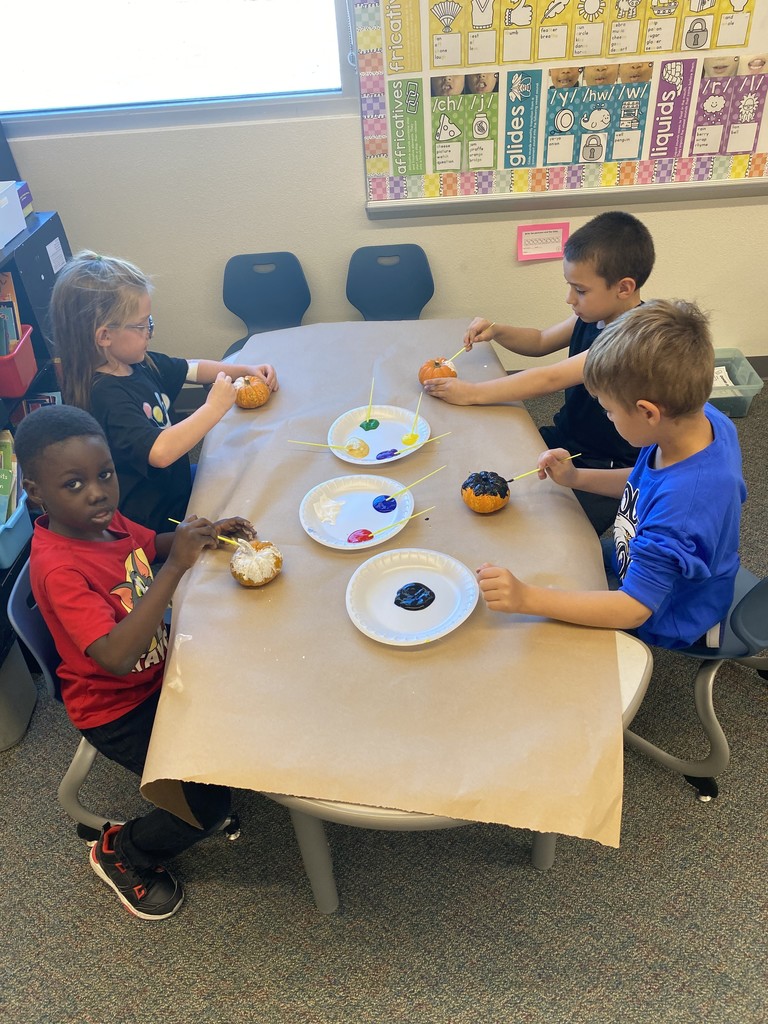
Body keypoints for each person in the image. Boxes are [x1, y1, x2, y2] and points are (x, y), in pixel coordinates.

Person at [14, 404, 257, 920]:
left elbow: (149, 546)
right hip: (116, 708)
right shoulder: (60, 568)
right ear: (36, 492)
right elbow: (117, 658)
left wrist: (201, 534)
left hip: (158, 671)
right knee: (206, 811)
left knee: (241, 690)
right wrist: (175, 569)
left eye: (104, 474)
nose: (99, 492)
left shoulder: (103, 522)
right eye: (74, 484)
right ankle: (122, 853)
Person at [477, 300, 746, 651]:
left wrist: (526, 599)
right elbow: (645, 482)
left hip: (668, 613)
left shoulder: (682, 510)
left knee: (543, 638)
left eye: (608, 410)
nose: (607, 417)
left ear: (648, 412)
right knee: (553, 549)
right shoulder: (697, 420)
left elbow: (632, 609)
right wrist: (576, 477)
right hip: (635, 550)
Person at [424, 210, 655, 534]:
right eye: (569, 286)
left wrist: (473, 393)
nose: (569, 298)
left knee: (535, 531)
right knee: (487, 471)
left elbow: (550, 378)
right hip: (565, 439)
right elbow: (541, 341)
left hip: (602, 465)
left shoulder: (629, 341)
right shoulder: (593, 316)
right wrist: (498, 330)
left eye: (580, 290)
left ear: (624, 287)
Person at [50, 251, 279, 534]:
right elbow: (160, 452)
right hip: (158, 521)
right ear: (104, 336)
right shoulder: (106, 396)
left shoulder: (136, 363)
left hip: (177, 488)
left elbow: (190, 369)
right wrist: (214, 408)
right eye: (141, 324)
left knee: (252, 467)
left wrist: (244, 369)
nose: (150, 332)